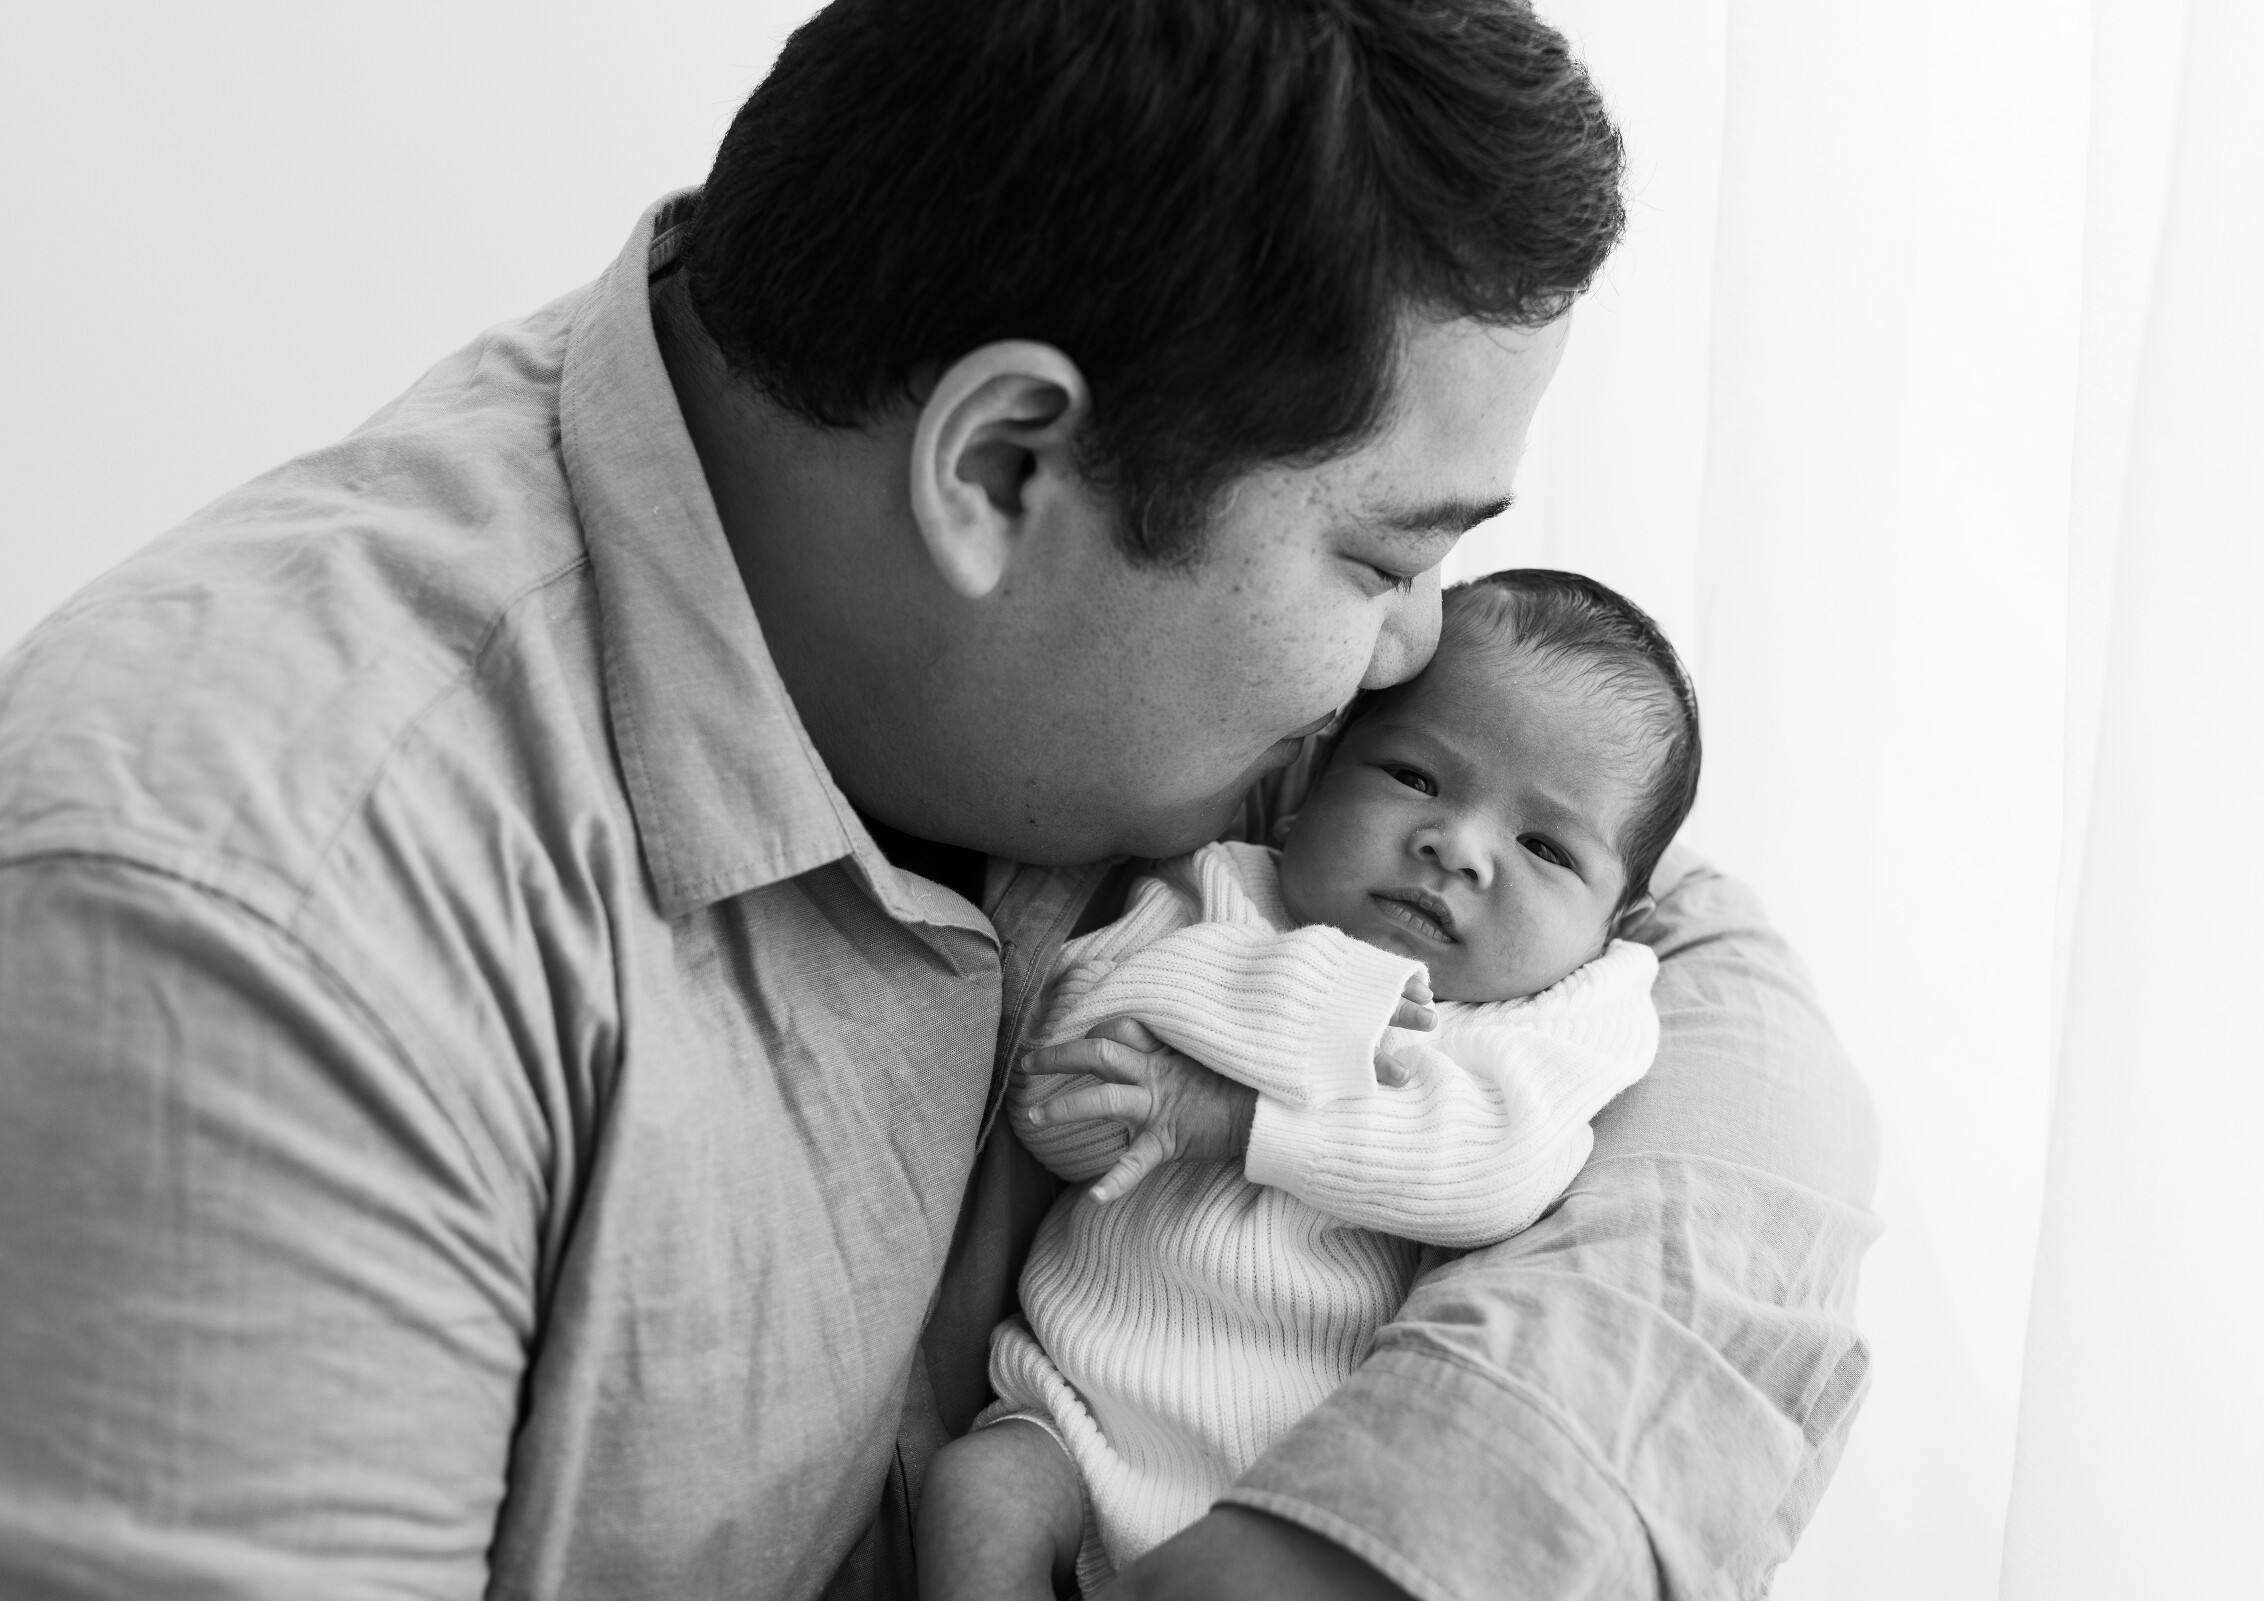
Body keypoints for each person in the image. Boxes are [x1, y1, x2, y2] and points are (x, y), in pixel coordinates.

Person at [0, 2, 1879, 1598]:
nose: (1416, 651)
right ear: (1000, 468)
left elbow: (1719, 998)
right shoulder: (255, 942)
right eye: (1384, 561)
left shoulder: (1064, 654)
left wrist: (1369, 1539)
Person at [919, 571, 1691, 1598]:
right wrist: (1318, 997)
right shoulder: (1220, 892)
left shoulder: (1566, 1011)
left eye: (1544, 845)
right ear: (1320, 772)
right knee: (974, 1491)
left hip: (1295, 1495)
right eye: (1415, 775)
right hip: (1076, 1417)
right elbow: (1057, 1093)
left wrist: (1236, 1117)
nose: (1456, 846)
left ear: (1616, 920)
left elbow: (1497, 1170)